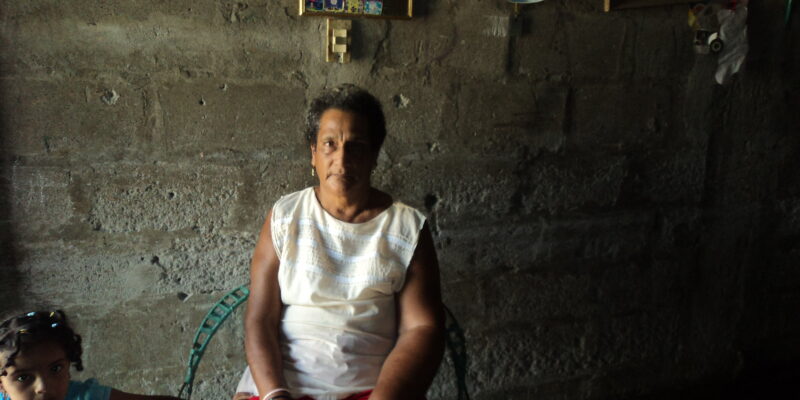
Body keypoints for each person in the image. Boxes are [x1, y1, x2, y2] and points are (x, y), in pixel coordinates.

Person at [235, 84, 445, 400]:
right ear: (313, 154)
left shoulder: (406, 228)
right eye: (329, 144)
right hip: (282, 385)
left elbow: (422, 328)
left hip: (369, 389)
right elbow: (260, 319)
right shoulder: (285, 216)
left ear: (374, 155)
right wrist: (275, 395)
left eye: (356, 146)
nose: (342, 160)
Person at [0, 310, 180, 400]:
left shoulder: (85, 396)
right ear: (2, 385)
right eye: (23, 377)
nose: (43, 387)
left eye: (56, 369)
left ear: (68, 367)